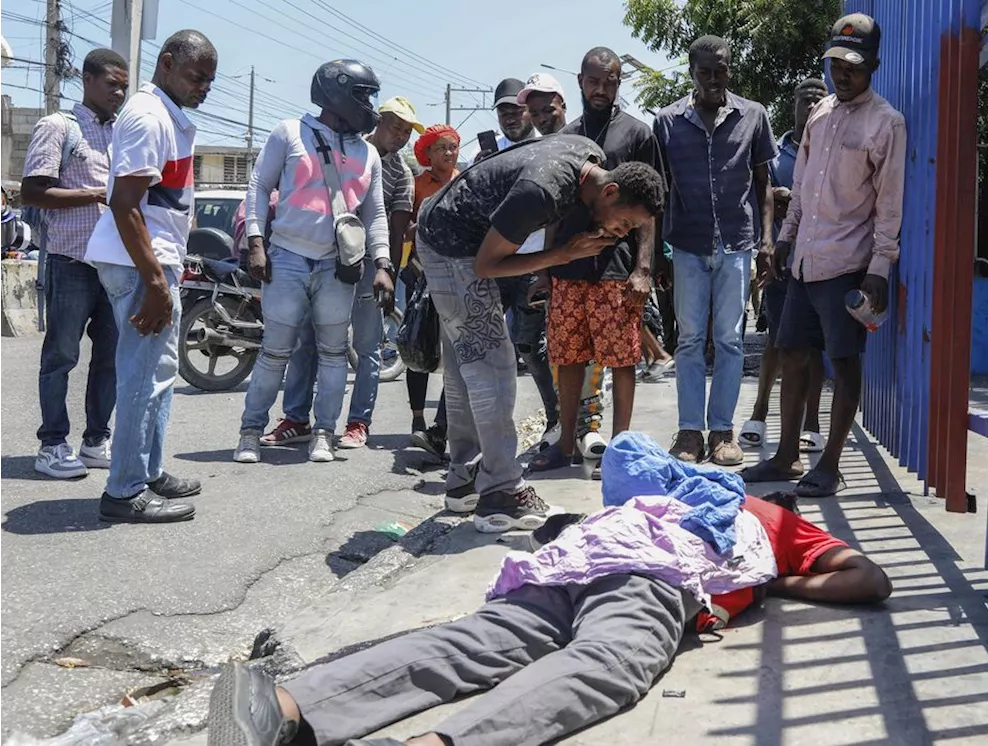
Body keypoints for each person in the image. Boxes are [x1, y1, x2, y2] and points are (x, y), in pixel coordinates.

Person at [206, 492, 891, 746]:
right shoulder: (769, 522)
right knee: (606, 663)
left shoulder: (666, 492)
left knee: (471, 643)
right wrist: (774, 576)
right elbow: (869, 580)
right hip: (653, 576)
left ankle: (283, 705)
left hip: (570, 558)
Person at [414, 135, 665, 533]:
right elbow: (486, 265)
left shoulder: (589, 157)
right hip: (452, 246)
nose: (621, 233)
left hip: (448, 229)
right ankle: (501, 492)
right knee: (491, 364)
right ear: (611, 190)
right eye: (625, 223)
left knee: (467, 369)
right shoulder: (543, 191)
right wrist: (562, 256)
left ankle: (466, 478)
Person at [743, 14, 906, 497]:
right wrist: (784, 240)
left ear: (874, 64)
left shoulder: (886, 123)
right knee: (791, 352)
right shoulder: (819, 114)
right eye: (836, 63)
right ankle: (787, 454)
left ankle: (829, 464)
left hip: (847, 266)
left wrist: (880, 269)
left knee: (843, 360)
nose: (842, 74)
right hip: (804, 265)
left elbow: (890, 204)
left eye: (853, 65)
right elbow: (803, 191)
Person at [82, 30, 217, 523]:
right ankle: (123, 493)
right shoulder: (147, 115)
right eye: (196, 77)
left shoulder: (166, 115)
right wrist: (156, 282)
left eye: (209, 81)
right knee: (141, 377)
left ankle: (147, 470)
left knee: (158, 375)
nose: (204, 88)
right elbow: (124, 204)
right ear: (166, 64)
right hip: (142, 265)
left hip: (154, 262)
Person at [233, 60, 394, 465]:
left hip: (337, 266)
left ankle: (324, 433)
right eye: (364, 96)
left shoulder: (369, 153)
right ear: (336, 93)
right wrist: (257, 242)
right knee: (275, 352)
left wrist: (382, 263)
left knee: (334, 354)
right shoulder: (289, 133)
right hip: (286, 257)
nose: (369, 105)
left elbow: (375, 215)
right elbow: (259, 186)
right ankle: (249, 433)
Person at [529, 47, 665, 481]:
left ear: (618, 83)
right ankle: (566, 444)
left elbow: (649, 209)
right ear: (580, 82)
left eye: (610, 81)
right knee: (568, 358)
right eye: (594, 81)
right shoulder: (564, 136)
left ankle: (620, 450)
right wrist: (545, 269)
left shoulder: (638, 134)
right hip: (569, 266)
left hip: (616, 269)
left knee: (622, 359)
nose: (601, 89)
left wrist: (643, 268)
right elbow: (551, 208)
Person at [268, 96, 421, 451]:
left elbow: (394, 229)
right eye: (395, 126)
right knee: (307, 341)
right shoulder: (347, 151)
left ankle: (357, 423)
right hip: (324, 260)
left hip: (369, 266)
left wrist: (388, 272)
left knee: (367, 348)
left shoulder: (402, 175)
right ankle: (296, 419)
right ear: (377, 121)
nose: (399, 136)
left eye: (406, 132)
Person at [654, 35, 777, 466]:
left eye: (720, 70)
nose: (712, 79)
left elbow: (763, 185)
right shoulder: (667, 122)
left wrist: (767, 241)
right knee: (689, 341)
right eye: (704, 71)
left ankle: (723, 431)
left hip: (738, 243)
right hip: (686, 245)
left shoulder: (754, 116)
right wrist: (655, 256)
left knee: (729, 340)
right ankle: (690, 432)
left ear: (729, 69)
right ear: (691, 71)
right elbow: (660, 192)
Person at [22, 48, 128, 479]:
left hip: (115, 265)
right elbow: (31, 192)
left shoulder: (123, 131)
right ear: (87, 80)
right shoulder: (59, 127)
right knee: (61, 357)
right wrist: (96, 194)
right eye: (111, 84)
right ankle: (51, 445)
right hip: (70, 262)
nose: (119, 93)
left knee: (111, 358)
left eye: (124, 86)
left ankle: (95, 440)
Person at [739, 78, 829, 453]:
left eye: (818, 100)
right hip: (782, 263)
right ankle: (759, 413)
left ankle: (812, 422)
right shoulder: (776, 156)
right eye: (805, 100)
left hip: (824, 263)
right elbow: (759, 196)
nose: (811, 107)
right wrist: (778, 199)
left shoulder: (832, 151)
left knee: (814, 347)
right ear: (793, 105)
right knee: (776, 340)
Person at [483, 76, 561, 451]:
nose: (510, 116)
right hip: (497, 261)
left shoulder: (546, 147)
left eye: (515, 109)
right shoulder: (489, 153)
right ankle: (455, 429)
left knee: (531, 346)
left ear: (528, 110)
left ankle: (556, 419)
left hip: (534, 259)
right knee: (478, 342)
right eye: (503, 111)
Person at [403, 123, 462, 460]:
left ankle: (444, 426)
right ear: (428, 153)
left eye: (452, 147)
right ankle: (418, 420)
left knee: (455, 353)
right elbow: (407, 229)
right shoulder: (418, 186)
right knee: (418, 343)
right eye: (442, 148)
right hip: (421, 275)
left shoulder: (463, 181)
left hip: (456, 277)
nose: (449, 153)